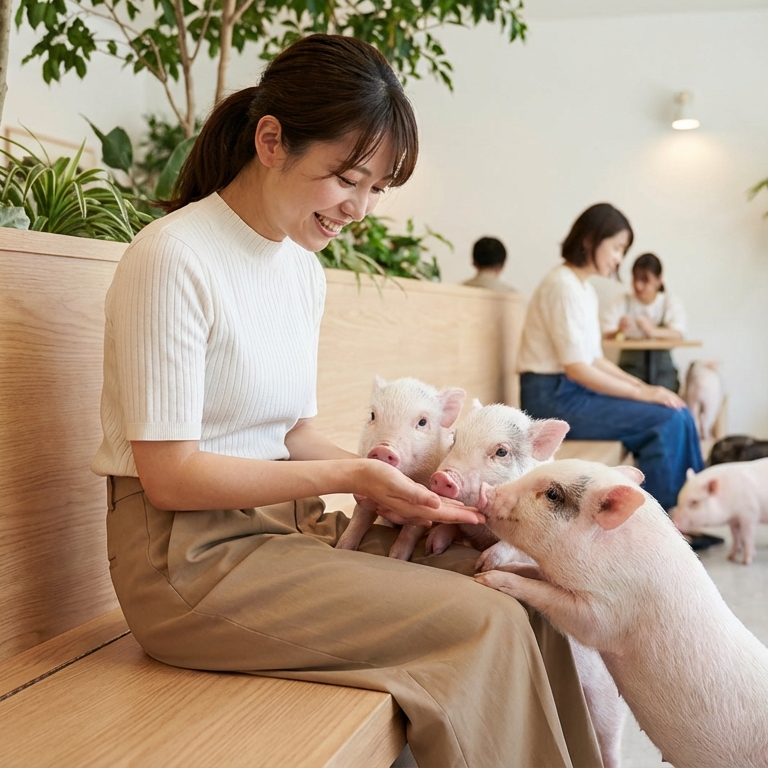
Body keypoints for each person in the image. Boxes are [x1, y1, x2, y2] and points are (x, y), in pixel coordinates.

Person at [92, 35, 601, 767]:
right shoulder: (172, 256)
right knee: (481, 624)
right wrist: (355, 476)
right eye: (349, 180)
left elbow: (293, 434)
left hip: (283, 538)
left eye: (377, 189)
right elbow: (169, 476)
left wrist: (403, 486)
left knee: (518, 590)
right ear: (272, 140)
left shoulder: (301, 269)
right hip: (187, 565)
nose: (360, 209)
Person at [517, 203, 704, 516]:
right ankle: (662, 521)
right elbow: (577, 369)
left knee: (678, 409)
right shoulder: (561, 285)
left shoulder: (583, 289)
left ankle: (690, 509)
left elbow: (595, 360)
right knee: (666, 420)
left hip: (569, 390)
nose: (619, 258)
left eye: (623, 250)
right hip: (551, 397)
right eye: (617, 247)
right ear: (590, 239)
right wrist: (644, 393)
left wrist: (646, 388)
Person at [601, 252, 688, 392]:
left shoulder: (669, 302)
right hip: (629, 371)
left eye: (645, 280)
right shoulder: (622, 301)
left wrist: (652, 331)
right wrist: (619, 331)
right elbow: (605, 335)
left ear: (659, 280)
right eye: (635, 279)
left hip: (663, 374)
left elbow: (679, 335)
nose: (638, 286)